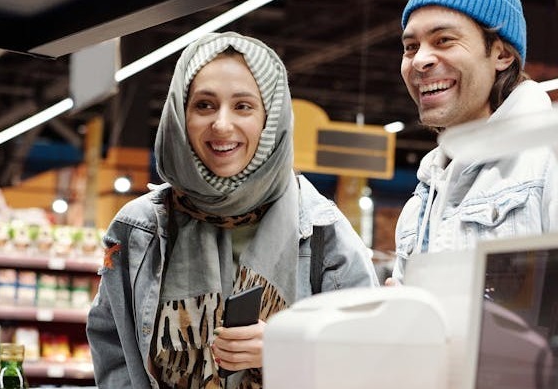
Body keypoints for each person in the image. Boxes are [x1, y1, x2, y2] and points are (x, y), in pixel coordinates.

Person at [86, 31, 379, 388]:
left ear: (270, 120)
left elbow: (368, 359)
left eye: (243, 106)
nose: (222, 124)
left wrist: (287, 351)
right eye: (204, 105)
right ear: (180, 115)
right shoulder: (139, 229)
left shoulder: (323, 233)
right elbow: (113, 347)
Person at [390, 0, 558, 284]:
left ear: (501, 54)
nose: (420, 60)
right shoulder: (423, 197)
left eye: (444, 40)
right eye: (411, 47)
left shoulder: (547, 161)